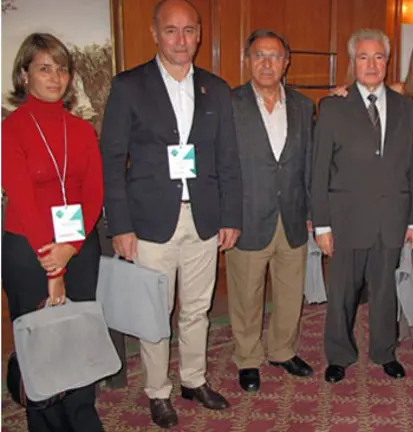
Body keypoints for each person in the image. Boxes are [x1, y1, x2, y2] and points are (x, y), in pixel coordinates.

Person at [100, 0, 242, 428]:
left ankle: (193, 378)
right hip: (149, 222)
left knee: (197, 308)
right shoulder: (129, 86)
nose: (181, 40)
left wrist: (230, 215)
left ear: (199, 34)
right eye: (171, 31)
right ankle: (158, 390)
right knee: (154, 312)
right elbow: (112, 159)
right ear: (154, 33)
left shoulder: (216, 88)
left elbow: (228, 158)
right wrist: (120, 226)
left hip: (203, 217)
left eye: (189, 31)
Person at [330, 32, 413, 352]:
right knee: (397, 265)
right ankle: (395, 328)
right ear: (412, 63)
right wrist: (342, 91)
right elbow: (365, 92)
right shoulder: (399, 94)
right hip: (397, 190)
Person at [1, 32, 104, 432]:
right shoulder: (11, 129)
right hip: (29, 252)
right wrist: (53, 269)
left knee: (80, 336)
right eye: (44, 68)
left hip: (78, 249)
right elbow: (23, 202)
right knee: (40, 343)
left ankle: (82, 414)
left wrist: (71, 248)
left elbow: (94, 194)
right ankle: (44, 422)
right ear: (24, 75)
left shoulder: (81, 130)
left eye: (62, 69)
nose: (55, 77)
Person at [312, 28, 413, 384]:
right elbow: (318, 171)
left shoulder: (407, 108)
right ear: (352, 62)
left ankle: (384, 351)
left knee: (385, 291)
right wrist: (322, 225)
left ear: (387, 61)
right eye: (363, 57)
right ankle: (339, 354)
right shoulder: (332, 107)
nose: (371, 64)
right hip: (345, 220)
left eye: (378, 57)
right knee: (342, 292)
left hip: (391, 218)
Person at [228, 29, 315, 392]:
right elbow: (221, 165)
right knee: (246, 294)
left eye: (274, 56)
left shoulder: (303, 105)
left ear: (286, 62)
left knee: (290, 291)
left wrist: (312, 211)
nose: (267, 63)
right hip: (247, 218)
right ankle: (248, 357)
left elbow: (308, 162)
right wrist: (225, 216)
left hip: (292, 214)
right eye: (259, 56)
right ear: (248, 60)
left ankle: (282, 350)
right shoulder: (229, 103)